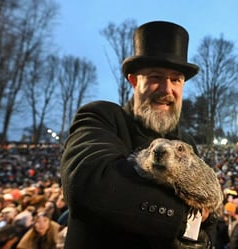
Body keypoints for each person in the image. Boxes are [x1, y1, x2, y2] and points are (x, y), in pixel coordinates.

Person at [60, 20, 217, 249]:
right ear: (133, 80)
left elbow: (209, 214)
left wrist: (206, 241)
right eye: (155, 77)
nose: (167, 90)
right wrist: (185, 222)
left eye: (176, 79)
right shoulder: (102, 116)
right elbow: (89, 182)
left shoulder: (188, 142)